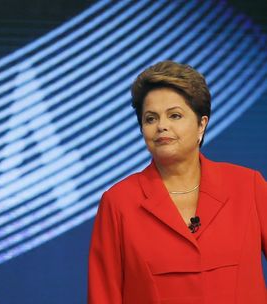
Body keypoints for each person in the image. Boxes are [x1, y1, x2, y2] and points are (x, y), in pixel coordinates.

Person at [88, 61, 267, 303]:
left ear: (201, 124)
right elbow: (103, 296)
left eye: (174, 115)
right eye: (150, 119)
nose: (162, 126)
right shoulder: (119, 202)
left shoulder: (248, 186)